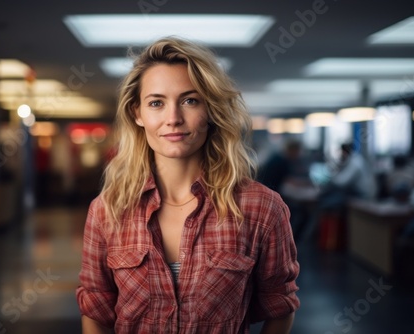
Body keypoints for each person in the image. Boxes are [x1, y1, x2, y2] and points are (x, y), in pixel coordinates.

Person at [76, 37, 300, 334]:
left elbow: (280, 306)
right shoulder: (107, 210)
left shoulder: (261, 207)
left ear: (211, 111)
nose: (173, 119)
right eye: (156, 103)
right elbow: (96, 310)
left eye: (190, 100)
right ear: (137, 114)